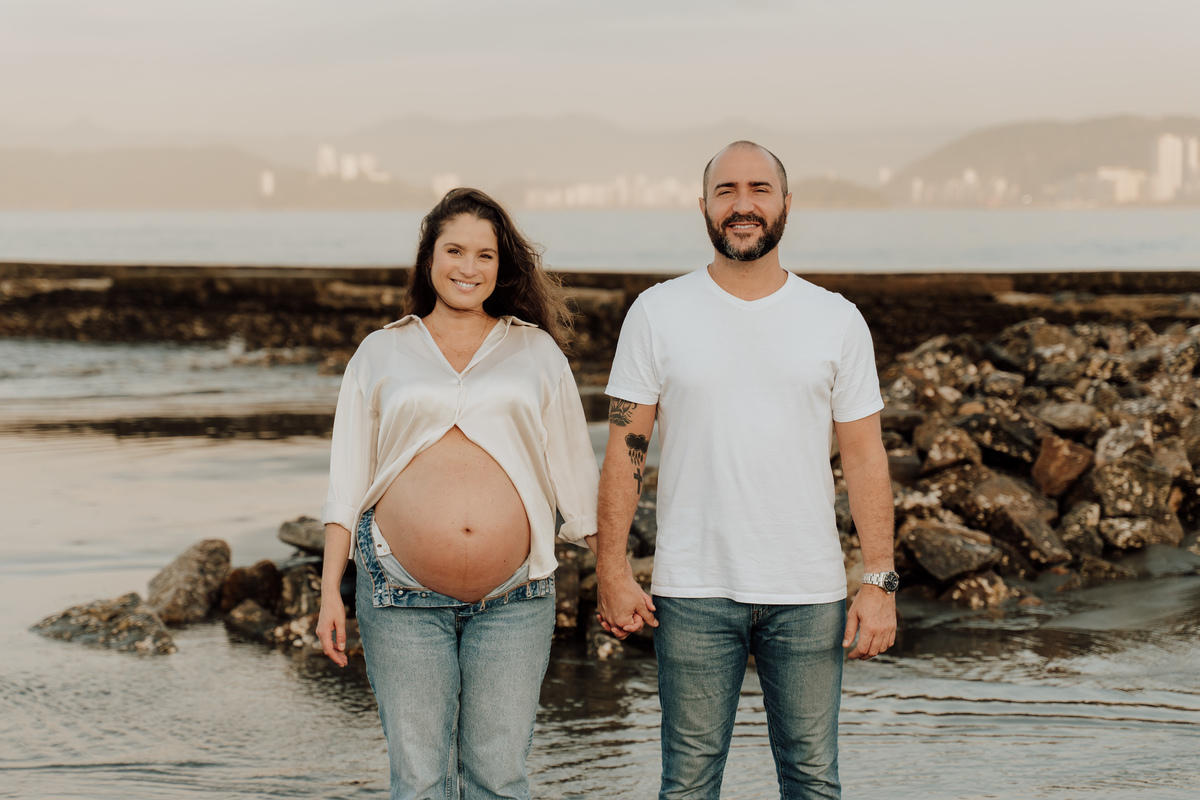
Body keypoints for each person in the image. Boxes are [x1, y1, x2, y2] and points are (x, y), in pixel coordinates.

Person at [595, 141, 897, 799]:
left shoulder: (836, 319)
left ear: (786, 204)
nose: (743, 204)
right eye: (726, 190)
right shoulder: (656, 312)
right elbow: (625, 448)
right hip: (694, 587)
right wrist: (612, 570)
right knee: (689, 784)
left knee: (813, 780)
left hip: (810, 590)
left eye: (759, 189)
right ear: (704, 206)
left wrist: (879, 582)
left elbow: (865, 456)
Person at [315, 187, 600, 800]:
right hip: (398, 591)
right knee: (419, 781)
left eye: (485, 255)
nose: (468, 268)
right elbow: (346, 482)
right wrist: (329, 595)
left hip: (516, 596)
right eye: (455, 251)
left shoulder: (536, 350)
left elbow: (576, 475)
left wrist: (617, 577)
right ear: (429, 259)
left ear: (502, 267)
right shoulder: (381, 350)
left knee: (499, 778)